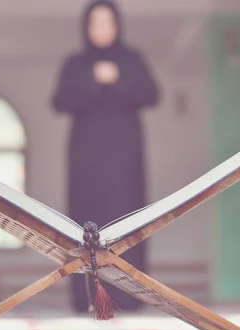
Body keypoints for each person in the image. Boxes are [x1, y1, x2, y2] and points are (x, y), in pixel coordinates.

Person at [51, 0, 160, 312]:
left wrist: (118, 79)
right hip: (85, 163)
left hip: (126, 163)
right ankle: (86, 297)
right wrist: (93, 80)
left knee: (128, 222)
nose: (102, 29)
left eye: (107, 22)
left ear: (117, 25)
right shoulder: (75, 63)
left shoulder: (133, 59)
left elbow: (152, 94)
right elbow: (59, 101)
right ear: (86, 28)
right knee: (86, 227)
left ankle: (130, 297)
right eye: (95, 23)